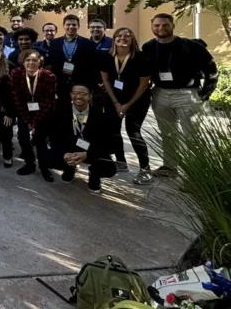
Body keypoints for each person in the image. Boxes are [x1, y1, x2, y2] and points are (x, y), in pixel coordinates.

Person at [141, 13, 218, 178]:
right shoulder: (148, 47)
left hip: (187, 94)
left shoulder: (191, 46)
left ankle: (197, 175)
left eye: (165, 25)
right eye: (157, 25)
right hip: (160, 93)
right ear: (152, 26)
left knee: (193, 136)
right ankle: (170, 167)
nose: (161, 28)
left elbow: (211, 70)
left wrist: (205, 94)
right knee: (168, 134)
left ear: (172, 25)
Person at [100, 27, 152, 183]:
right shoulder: (107, 57)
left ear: (132, 39)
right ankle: (121, 161)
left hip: (137, 101)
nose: (123, 38)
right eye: (119, 36)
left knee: (133, 132)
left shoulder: (142, 58)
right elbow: (106, 81)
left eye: (127, 36)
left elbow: (143, 85)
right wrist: (116, 102)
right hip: (113, 99)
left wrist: (127, 105)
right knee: (113, 131)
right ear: (114, 39)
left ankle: (145, 168)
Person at [50, 84, 117, 193]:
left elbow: (107, 144)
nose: (79, 96)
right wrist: (64, 154)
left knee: (109, 168)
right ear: (70, 95)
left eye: (83, 94)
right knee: (48, 158)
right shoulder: (60, 112)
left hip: (91, 150)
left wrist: (88, 154)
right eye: (75, 93)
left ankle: (94, 175)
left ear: (90, 96)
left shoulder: (101, 116)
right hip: (69, 149)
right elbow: (54, 137)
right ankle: (69, 168)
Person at [10, 49, 56, 182]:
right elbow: (16, 99)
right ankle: (30, 164)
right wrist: (29, 122)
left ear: (40, 62)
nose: (31, 63)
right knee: (22, 137)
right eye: (28, 60)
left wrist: (35, 123)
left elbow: (48, 101)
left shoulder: (49, 76)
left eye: (34, 60)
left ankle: (44, 167)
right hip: (24, 112)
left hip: (43, 113)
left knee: (40, 140)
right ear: (23, 62)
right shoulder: (16, 74)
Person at [46, 15, 97, 104]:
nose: (71, 27)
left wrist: (91, 86)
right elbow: (52, 63)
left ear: (78, 26)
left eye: (74, 25)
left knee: (81, 110)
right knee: (63, 110)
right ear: (64, 26)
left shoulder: (89, 43)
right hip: (61, 84)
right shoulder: (54, 43)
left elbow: (93, 66)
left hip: (82, 84)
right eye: (68, 24)